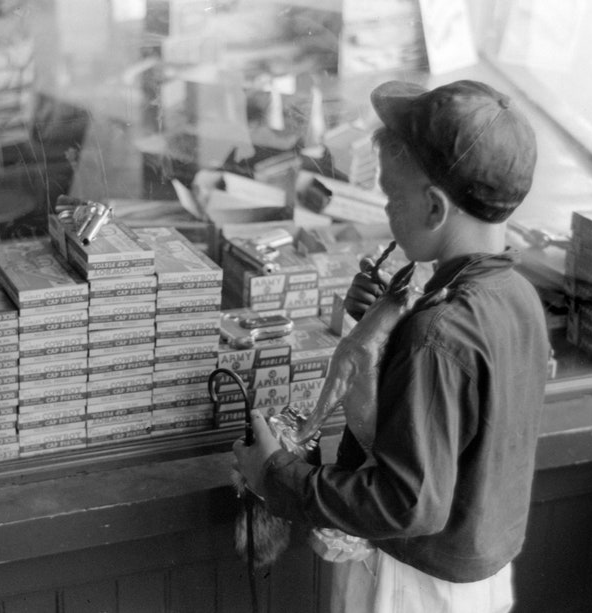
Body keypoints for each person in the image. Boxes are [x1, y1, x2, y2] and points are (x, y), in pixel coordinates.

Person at [233, 79, 550, 613]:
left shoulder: (437, 333)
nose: (385, 210)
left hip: (411, 587)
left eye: (389, 195)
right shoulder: (514, 294)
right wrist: (388, 317)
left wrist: (276, 474)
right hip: (473, 574)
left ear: (432, 208)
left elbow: (407, 503)